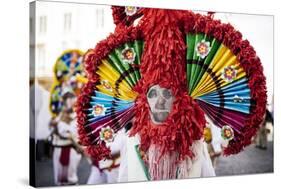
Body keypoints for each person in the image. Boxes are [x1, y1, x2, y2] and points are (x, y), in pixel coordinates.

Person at [51, 92, 83, 185]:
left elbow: (73, 133)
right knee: (60, 178)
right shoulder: (60, 115)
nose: (73, 105)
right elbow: (62, 131)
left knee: (71, 178)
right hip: (61, 148)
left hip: (72, 150)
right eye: (70, 102)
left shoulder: (77, 115)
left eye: (74, 103)